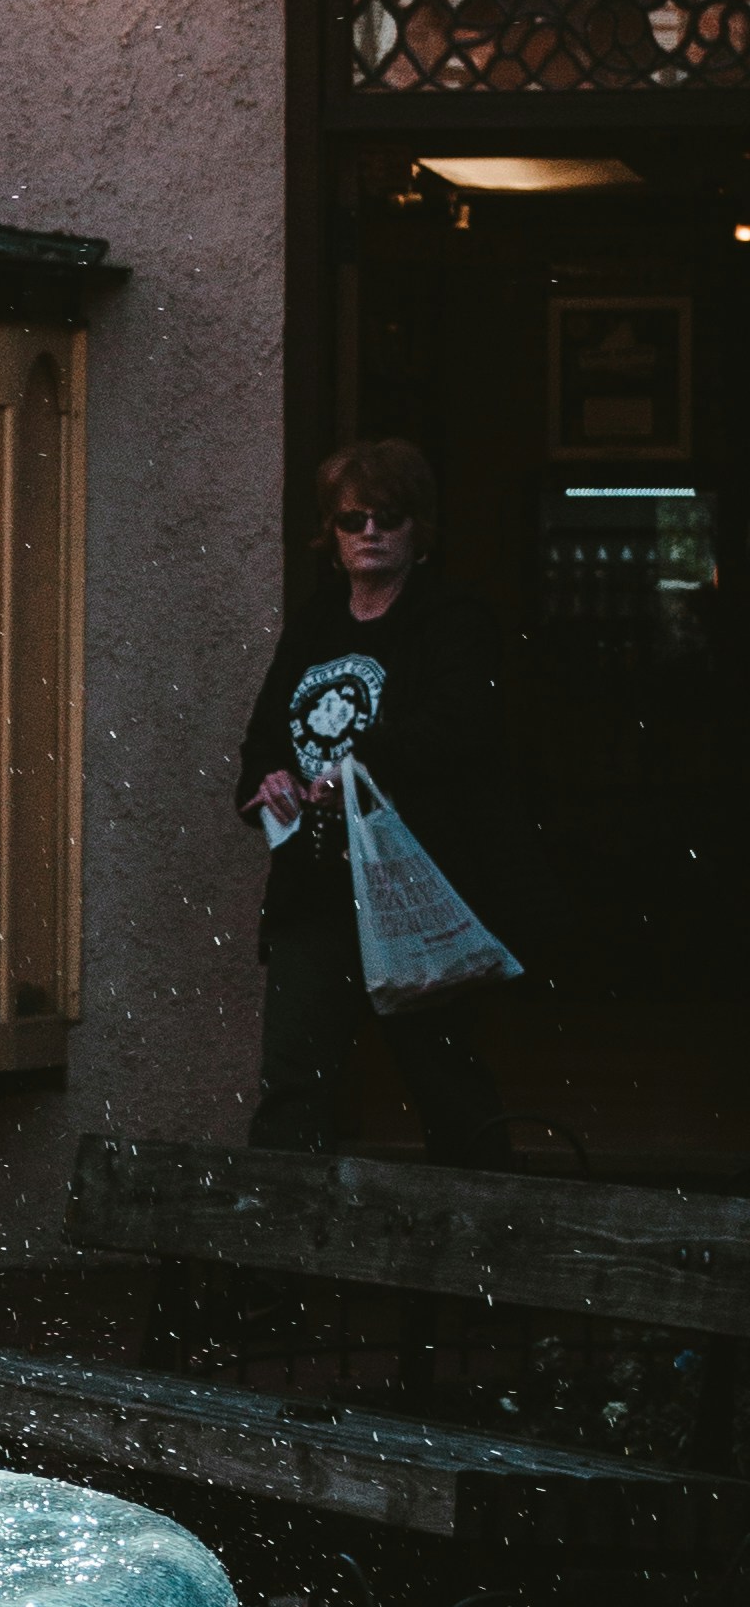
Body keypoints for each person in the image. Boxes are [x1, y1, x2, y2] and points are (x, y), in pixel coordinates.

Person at [234, 439, 515, 1166]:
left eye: (388, 516)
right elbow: (265, 737)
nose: (369, 531)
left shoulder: (452, 616)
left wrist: (356, 769)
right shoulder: (317, 621)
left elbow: (461, 725)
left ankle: (478, 1265)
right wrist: (270, 782)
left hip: (413, 887)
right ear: (330, 533)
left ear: (418, 527)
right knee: (294, 1085)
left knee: (446, 1085)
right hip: (316, 890)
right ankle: (281, 1268)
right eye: (351, 518)